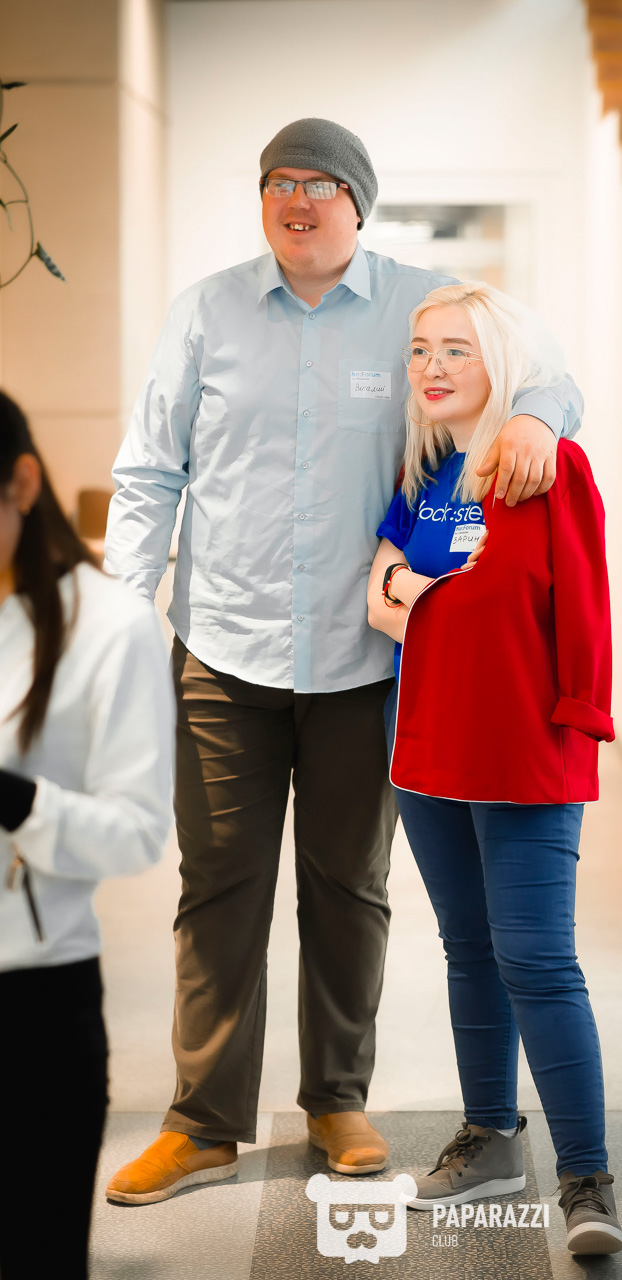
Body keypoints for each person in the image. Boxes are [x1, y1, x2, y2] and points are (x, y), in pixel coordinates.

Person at [102, 116, 584, 1203]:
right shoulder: (206, 312)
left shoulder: (418, 307)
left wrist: (537, 420)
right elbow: (149, 473)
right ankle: (203, 1122)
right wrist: (124, 618)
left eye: (320, 183)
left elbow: (543, 368)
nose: (297, 199)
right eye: (279, 181)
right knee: (217, 887)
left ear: (357, 202)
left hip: (365, 661)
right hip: (222, 650)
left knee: (349, 886)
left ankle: (335, 1100)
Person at [367, 283, 622, 1256]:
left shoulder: (547, 464)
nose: (430, 367)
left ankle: (586, 1179)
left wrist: (418, 591)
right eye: (419, 349)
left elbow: (581, 608)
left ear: (503, 362)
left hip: (523, 747)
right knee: (468, 949)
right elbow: (377, 599)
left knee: (538, 960)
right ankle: (491, 1141)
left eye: (456, 350)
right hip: (424, 744)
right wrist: (418, 592)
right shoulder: (425, 471)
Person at [0, 391, 174, 1278]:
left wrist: (16, 802)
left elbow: (138, 833)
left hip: (31, 1007)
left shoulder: (109, 627)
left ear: (22, 483)